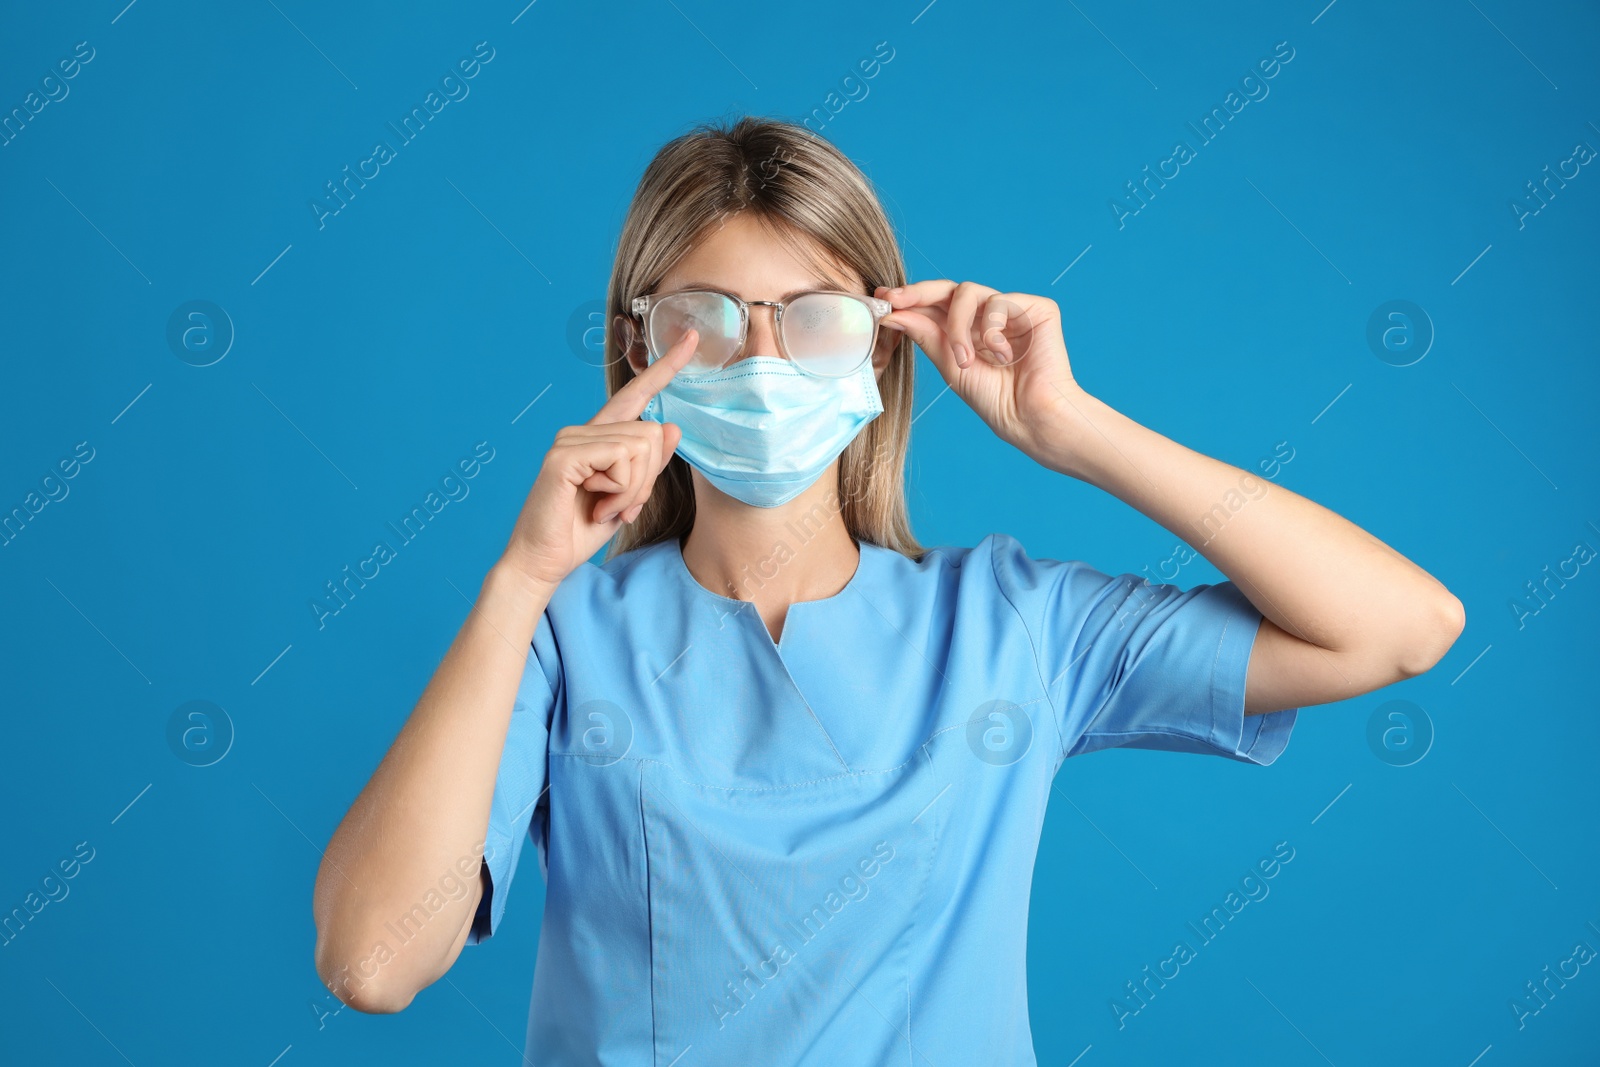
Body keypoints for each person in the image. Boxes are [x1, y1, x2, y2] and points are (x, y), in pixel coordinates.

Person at [310, 115, 1465, 1064]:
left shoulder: (1014, 626)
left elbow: (1404, 626)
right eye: (703, 323)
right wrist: (518, 580)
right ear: (637, 347)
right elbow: (372, 961)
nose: (759, 362)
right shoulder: (562, 639)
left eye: (808, 318)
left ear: (876, 345)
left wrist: (1077, 431)